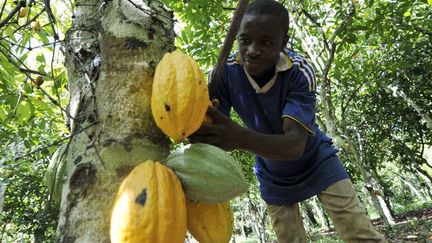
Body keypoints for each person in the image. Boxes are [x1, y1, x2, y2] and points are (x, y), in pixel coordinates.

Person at [189, 0, 387, 242]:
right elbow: (208, 129)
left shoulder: (299, 71)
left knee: (359, 233)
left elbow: (294, 145)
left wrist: (237, 137)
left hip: (317, 161)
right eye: (245, 40)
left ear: (283, 43)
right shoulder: (224, 74)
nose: (252, 49)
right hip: (272, 172)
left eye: (266, 42)